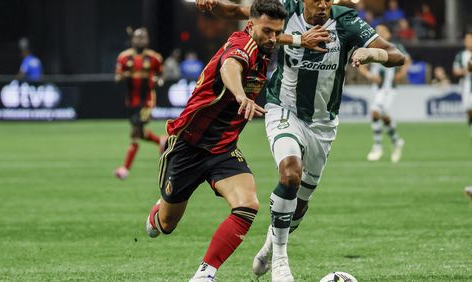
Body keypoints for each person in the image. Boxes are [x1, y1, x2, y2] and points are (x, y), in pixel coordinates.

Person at [196, 0, 405, 281]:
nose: (322, 5)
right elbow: (235, 11)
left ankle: (271, 244)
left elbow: (396, 56)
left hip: (323, 124)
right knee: (290, 173)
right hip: (283, 108)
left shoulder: (346, 21)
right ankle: (281, 261)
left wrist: (371, 53)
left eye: (327, 0)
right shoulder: (286, 10)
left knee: (301, 201)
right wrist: (212, 4)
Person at [144, 1, 287, 281]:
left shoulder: (265, 42)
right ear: (251, 24)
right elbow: (229, 68)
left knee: (248, 205)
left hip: (223, 148)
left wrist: (299, 40)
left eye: (277, 33)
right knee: (167, 224)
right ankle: (157, 213)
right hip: (188, 145)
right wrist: (241, 96)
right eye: (268, 31)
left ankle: (205, 274)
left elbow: (239, 12)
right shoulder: (242, 44)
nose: (273, 38)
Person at [114, 27, 167, 180]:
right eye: (137, 38)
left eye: (143, 38)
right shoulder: (124, 57)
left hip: (147, 101)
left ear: (147, 40)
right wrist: (123, 76)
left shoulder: (154, 58)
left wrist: (159, 80)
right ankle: (161, 141)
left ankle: (125, 169)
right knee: (139, 132)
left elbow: (161, 76)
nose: (140, 40)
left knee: (135, 133)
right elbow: (117, 78)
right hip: (131, 101)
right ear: (132, 40)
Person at [358, 24, 410, 163]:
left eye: (382, 31)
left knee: (375, 112)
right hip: (376, 89)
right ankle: (396, 141)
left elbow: (407, 60)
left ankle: (378, 146)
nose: (379, 33)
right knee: (384, 117)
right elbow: (361, 65)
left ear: (388, 33)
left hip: (389, 89)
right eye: (377, 31)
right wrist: (369, 75)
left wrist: (401, 75)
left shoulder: (395, 46)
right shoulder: (372, 46)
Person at [453, 31, 472, 138]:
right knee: (468, 108)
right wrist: (466, 70)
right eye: (466, 40)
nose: (467, 42)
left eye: (469, 40)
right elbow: (455, 70)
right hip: (466, 84)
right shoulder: (461, 55)